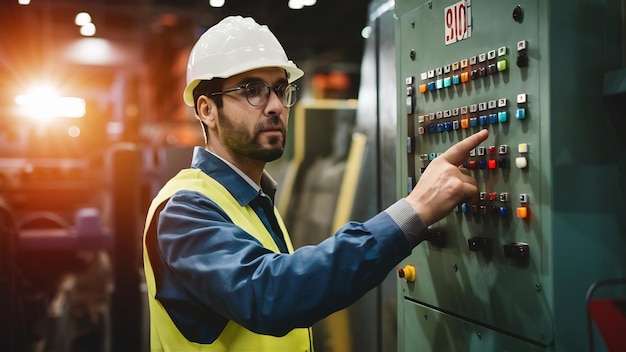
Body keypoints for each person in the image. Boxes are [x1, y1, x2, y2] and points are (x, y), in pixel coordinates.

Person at [142, 15, 489, 352]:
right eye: (253, 91)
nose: (276, 106)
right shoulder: (184, 209)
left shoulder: (253, 199)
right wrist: (415, 210)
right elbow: (271, 294)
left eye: (280, 89)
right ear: (206, 110)